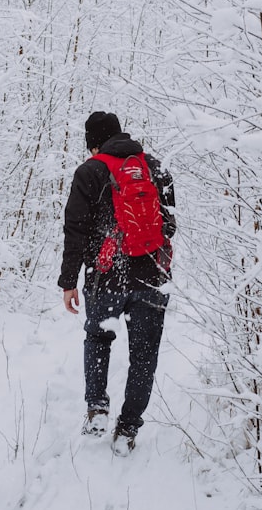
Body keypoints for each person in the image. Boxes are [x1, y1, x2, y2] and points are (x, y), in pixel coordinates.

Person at [58, 111, 176, 455]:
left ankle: (97, 409)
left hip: (108, 276)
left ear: (93, 142)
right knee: (144, 356)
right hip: (153, 275)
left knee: (98, 336)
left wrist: (69, 281)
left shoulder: (90, 171)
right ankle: (127, 431)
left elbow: (74, 229)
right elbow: (170, 225)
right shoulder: (155, 167)